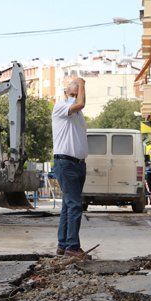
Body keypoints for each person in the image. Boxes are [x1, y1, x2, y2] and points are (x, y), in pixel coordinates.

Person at [52, 76, 88, 258]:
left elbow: (82, 104)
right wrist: (80, 83)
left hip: (78, 164)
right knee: (74, 205)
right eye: (72, 93)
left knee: (68, 205)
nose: (76, 96)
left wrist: (82, 87)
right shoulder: (61, 107)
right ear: (66, 93)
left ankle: (63, 244)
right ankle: (72, 247)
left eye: (77, 93)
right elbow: (80, 104)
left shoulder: (79, 116)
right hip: (66, 163)